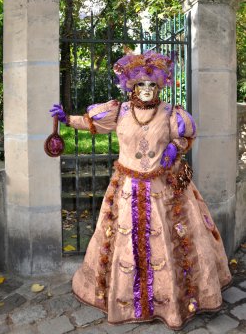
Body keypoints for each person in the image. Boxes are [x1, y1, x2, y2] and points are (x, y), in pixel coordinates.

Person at [50, 50, 232, 330]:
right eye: (141, 85)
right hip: (126, 189)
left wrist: (175, 146)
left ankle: (172, 301)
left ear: (159, 87)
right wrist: (66, 120)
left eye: (152, 85)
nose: (146, 90)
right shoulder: (120, 111)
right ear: (132, 87)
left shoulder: (171, 112)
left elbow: (185, 135)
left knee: (174, 244)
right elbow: (91, 124)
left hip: (165, 189)